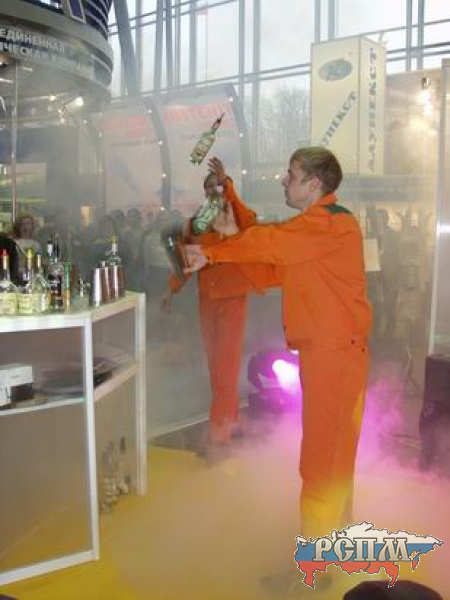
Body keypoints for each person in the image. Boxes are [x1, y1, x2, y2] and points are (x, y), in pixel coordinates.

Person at [185, 148, 372, 555]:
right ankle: (335, 543)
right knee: (332, 455)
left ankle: (316, 567)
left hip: (335, 356)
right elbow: (268, 260)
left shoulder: (332, 223)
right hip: (331, 355)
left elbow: (272, 241)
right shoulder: (312, 232)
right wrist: (229, 230)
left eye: (291, 174)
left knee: (322, 458)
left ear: (313, 183)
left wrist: (215, 250)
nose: (284, 181)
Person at [162, 157, 269, 457]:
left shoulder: (238, 216)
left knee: (225, 365)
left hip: (234, 298)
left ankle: (218, 437)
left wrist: (227, 183)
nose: (214, 190)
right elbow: (185, 260)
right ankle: (231, 423)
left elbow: (250, 224)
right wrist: (172, 289)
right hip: (207, 300)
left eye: (217, 186)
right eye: (209, 187)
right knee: (217, 367)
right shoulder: (196, 223)